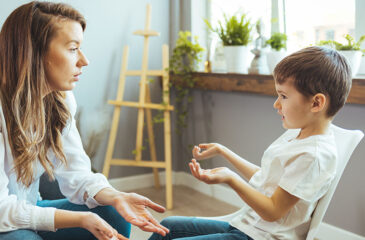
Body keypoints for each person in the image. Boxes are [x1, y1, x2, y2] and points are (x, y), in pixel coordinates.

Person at [0, 2, 169, 240]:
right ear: (33, 52)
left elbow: (77, 175)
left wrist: (115, 196)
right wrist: (81, 218)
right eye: (72, 49)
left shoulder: (60, 100)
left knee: (111, 214)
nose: (84, 60)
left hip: (25, 210)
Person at [148, 46, 352, 240]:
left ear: (316, 103)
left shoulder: (314, 155)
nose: (276, 104)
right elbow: (266, 180)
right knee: (168, 226)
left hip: (260, 236)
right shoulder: (298, 136)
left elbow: (272, 211)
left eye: (283, 96)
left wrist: (231, 179)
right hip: (246, 227)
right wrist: (224, 151)